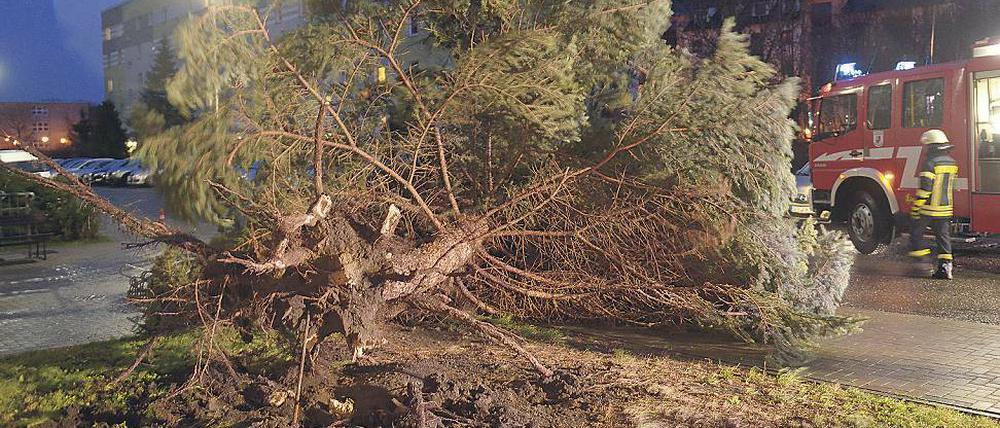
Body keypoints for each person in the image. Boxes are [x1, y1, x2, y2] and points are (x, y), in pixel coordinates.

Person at [909, 129, 958, 280]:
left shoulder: (929, 164)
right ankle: (945, 268)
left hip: (929, 209)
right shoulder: (952, 163)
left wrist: (916, 208)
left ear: (931, 146)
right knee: (943, 238)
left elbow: (925, 189)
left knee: (916, 233)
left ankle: (921, 265)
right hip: (945, 209)